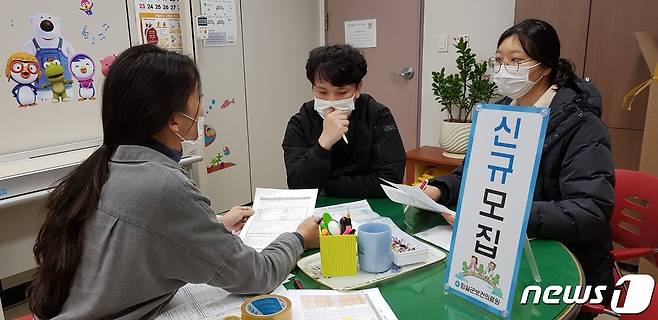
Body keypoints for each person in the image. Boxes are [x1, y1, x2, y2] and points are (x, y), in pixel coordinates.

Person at [27, 44, 319, 319]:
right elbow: (258, 275)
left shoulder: (110, 164)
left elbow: (140, 235)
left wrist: (213, 223)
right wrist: (298, 238)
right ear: (174, 120)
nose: (202, 109)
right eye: (198, 97)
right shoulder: (162, 184)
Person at [424, 19, 615, 307]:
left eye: (516, 61)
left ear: (546, 66)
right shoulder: (498, 114)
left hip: (564, 261)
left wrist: (508, 215)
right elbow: (472, 173)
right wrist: (439, 190)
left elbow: (589, 209)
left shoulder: (581, 124)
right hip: (497, 249)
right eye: (498, 60)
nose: (503, 69)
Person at [283, 44, 406, 198]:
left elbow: (390, 181)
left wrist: (327, 186)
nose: (331, 100)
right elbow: (298, 186)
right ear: (312, 87)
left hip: (369, 207)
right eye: (322, 92)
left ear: (358, 88)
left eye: (341, 92)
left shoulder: (378, 116)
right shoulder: (300, 122)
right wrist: (323, 144)